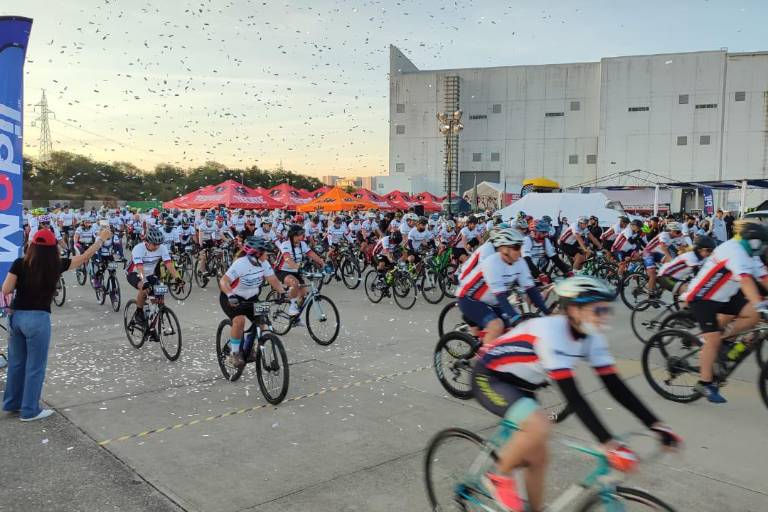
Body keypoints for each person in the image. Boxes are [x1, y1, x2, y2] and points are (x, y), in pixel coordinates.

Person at [473, 276, 681, 512]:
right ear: (574, 310)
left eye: (606, 310)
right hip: (490, 377)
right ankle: (498, 477)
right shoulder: (552, 333)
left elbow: (616, 386)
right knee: (540, 426)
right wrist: (608, 444)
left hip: (525, 386)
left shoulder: (591, 336)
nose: (605, 316)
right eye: (598, 309)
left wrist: (656, 425)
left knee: (539, 458)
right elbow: (574, 397)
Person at [2, 227, 111, 421]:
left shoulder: (20, 263)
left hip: (17, 317)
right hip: (38, 319)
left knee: (17, 363)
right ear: (53, 248)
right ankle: (29, 411)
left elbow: (6, 288)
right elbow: (84, 257)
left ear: (32, 245)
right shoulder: (57, 264)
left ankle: (12, 403)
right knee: (35, 367)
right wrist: (100, 240)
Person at [682, 220, 768, 403]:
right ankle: (704, 383)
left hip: (723, 296)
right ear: (754, 241)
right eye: (763, 243)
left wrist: (759, 307)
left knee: (753, 314)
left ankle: (725, 344)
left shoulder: (748, 252)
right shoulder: (734, 251)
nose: (764, 248)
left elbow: (764, 278)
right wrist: (761, 306)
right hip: (702, 297)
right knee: (712, 339)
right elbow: (745, 281)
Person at [219, 237, 287, 370]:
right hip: (232, 298)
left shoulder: (264, 263)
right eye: (266, 252)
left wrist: (283, 293)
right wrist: (230, 295)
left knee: (264, 323)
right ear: (257, 253)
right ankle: (234, 352)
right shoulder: (240, 264)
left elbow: (273, 280)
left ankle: (254, 346)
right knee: (239, 321)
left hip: (252, 298)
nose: (268, 255)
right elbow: (223, 281)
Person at [126, 227, 182, 328]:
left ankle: (151, 326)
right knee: (144, 288)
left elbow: (169, 265)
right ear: (147, 242)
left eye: (159, 244)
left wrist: (178, 278)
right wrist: (144, 281)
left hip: (150, 274)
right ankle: (139, 313)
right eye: (154, 244)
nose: (157, 247)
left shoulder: (162, 248)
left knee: (159, 299)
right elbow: (139, 267)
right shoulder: (138, 249)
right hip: (134, 273)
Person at [274, 224, 325, 318]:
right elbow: (287, 259)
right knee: (295, 283)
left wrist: (323, 263)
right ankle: (292, 307)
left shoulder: (302, 244)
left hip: (295, 270)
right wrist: (298, 268)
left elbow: (311, 254)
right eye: (301, 234)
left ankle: (295, 318)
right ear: (294, 235)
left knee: (303, 295)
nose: (303, 236)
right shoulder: (285, 244)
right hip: (282, 270)